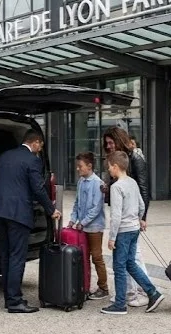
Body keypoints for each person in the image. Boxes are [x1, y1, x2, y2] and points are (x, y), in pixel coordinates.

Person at [0, 129, 61, 313]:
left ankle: (8, 298)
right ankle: (15, 301)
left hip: (0, 210)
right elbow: (38, 188)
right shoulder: (32, 160)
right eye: (40, 146)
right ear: (35, 142)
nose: (40, 150)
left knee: (6, 255)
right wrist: (51, 210)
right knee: (17, 257)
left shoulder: (4, 156)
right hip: (18, 214)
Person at [100, 151, 165, 315]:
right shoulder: (133, 183)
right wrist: (140, 219)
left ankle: (120, 304)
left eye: (109, 167)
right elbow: (141, 205)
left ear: (115, 166)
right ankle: (153, 292)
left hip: (122, 231)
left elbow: (116, 215)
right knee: (130, 263)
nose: (109, 170)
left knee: (119, 267)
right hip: (134, 229)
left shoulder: (116, 187)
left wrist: (112, 237)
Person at [103, 126, 150, 307]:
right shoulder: (117, 160)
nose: (108, 146)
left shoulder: (135, 157)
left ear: (119, 140)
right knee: (129, 258)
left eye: (110, 142)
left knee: (133, 257)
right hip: (125, 213)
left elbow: (143, 189)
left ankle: (144, 292)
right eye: (106, 143)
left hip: (129, 217)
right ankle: (129, 292)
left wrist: (142, 217)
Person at [67, 152, 108, 300]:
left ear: (89, 166)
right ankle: (85, 285)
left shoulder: (98, 183)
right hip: (82, 228)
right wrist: (73, 220)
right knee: (84, 257)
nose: (78, 169)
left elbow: (96, 208)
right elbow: (77, 203)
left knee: (97, 257)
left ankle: (103, 287)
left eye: (80, 166)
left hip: (95, 227)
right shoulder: (80, 182)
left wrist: (82, 222)